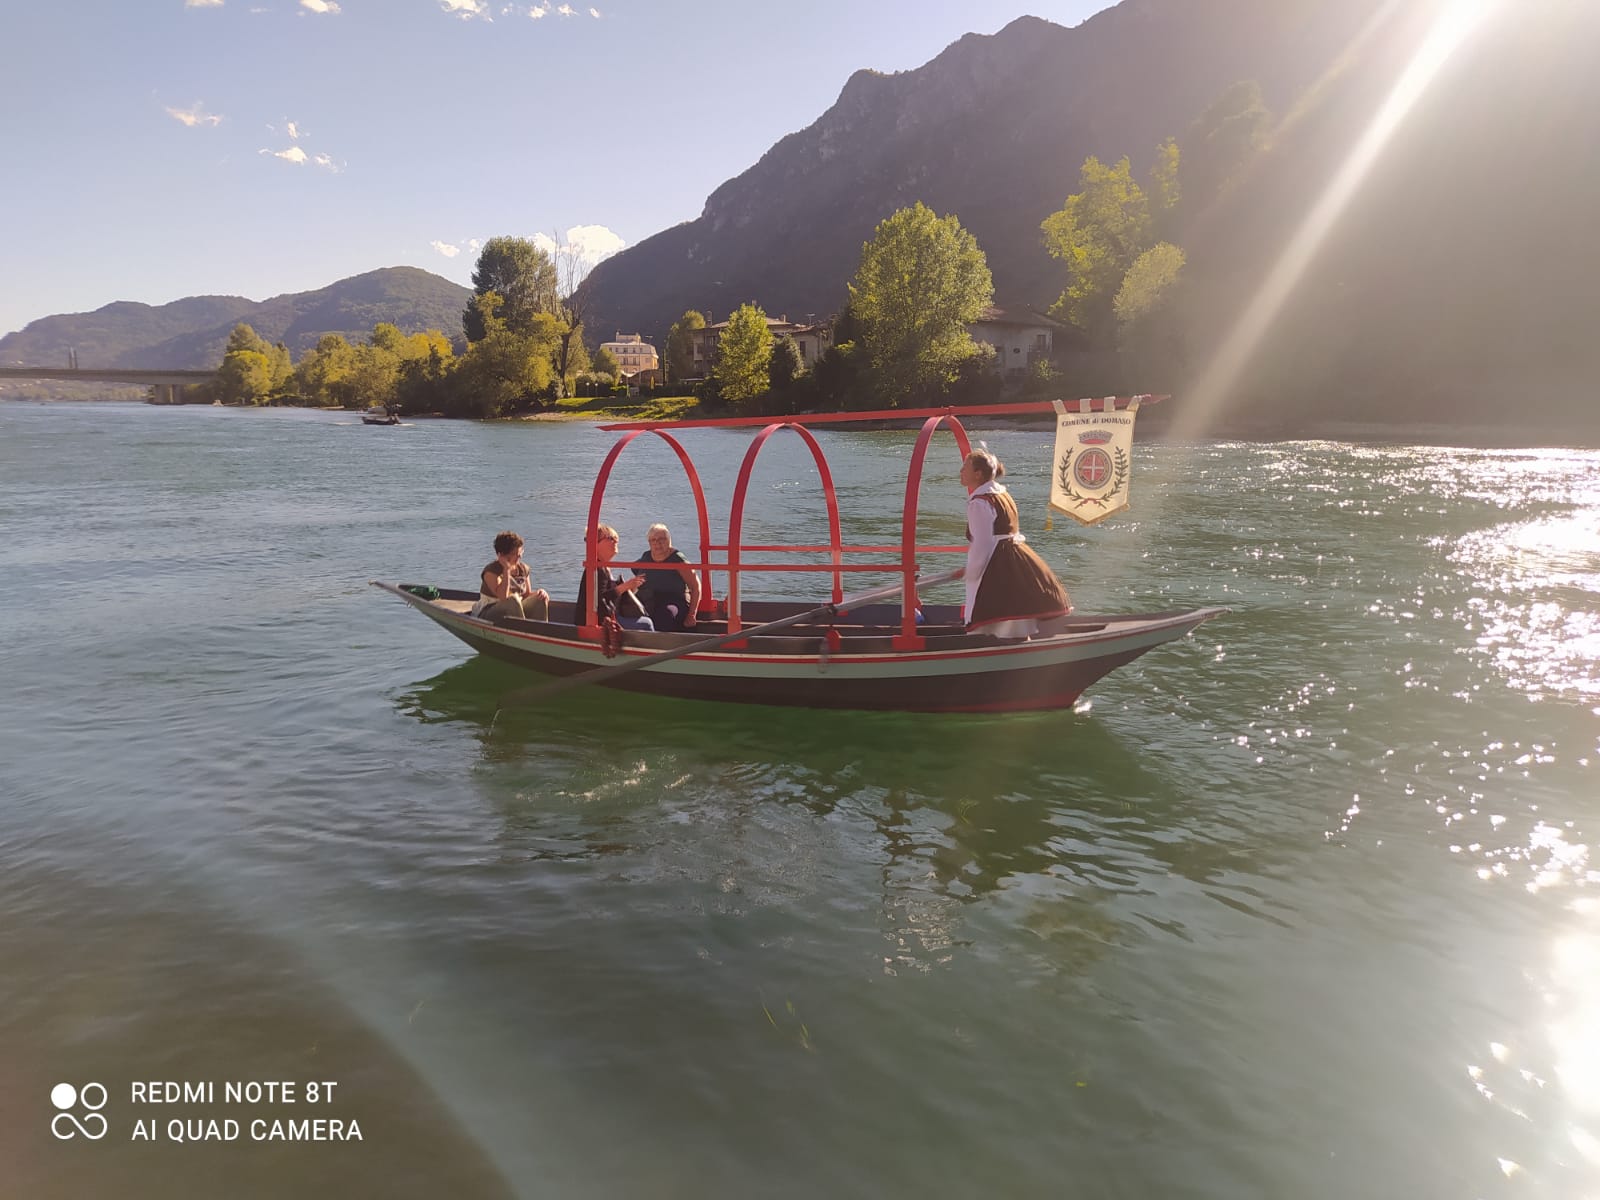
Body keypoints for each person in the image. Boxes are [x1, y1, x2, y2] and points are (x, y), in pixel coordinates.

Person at [957, 448, 1070, 638]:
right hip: (1015, 554)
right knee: (1012, 606)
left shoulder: (979, 502)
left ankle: (989, 644)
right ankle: (1015, 641)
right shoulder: (1002, 494)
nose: (960, 471)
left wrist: (972, 572)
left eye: (965, 468)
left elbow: (982, 543)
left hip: (996, 560)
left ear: (978, 474)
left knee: (990, 606)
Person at [574, 524, 655, 631]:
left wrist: (631, 588)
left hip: (606, 617)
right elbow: (601, 599)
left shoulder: (603, 567)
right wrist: (624, 587)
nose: (616, 541)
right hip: (599, 621)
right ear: (596, 544)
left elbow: (610, 597)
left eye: (616, 538)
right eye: (611, 538)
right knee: (647, 624)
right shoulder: (596, 569)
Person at [631, 523, 701, 632]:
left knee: (664, 616)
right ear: (649, 543)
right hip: (650, 599)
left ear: (669, 540)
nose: (657, 543)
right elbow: (636, 577)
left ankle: (659, 644)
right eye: (653, 540)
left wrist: (692, 614)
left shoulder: (678, 560)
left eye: (661, 539)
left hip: (675, 601)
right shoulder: (646, 557)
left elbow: (696, 587)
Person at [472, 530, 550, 622]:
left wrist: (540, 593)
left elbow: (526, 595)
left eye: (520, 552)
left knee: (539, 598)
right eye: (515, 554)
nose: (519, 556)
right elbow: (503, 597)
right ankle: (522, 631)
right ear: (502, 555)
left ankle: (540, 631)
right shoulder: (491, 571)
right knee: (513, 600)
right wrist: (506, 569)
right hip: (489, 613)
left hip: (516, 611)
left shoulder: (523, 569)